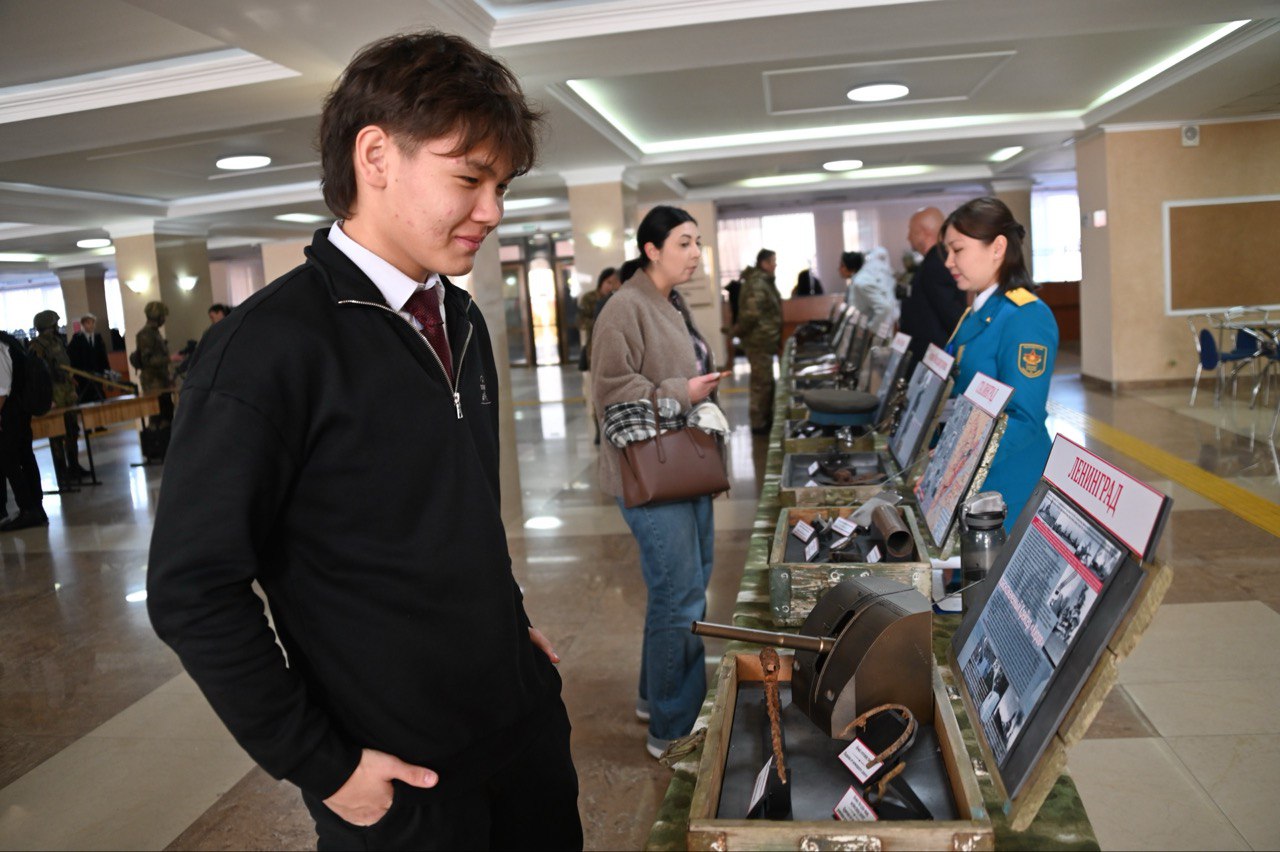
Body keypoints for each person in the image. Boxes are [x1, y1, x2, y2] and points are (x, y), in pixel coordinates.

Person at [146, 30, 581, 851]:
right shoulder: (267, 349)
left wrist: (508, 628)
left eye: (502, 185)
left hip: (520, 734)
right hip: (400, 778)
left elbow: (458, 510)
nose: (493, 211)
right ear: (376, 156)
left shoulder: (461, 317)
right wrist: (322, 765)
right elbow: (191, 589)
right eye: (470, 179)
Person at [592, 205, 724, 760]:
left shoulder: (672, 302)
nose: (695, 254)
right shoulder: (624, 308)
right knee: (683, 596)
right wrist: (682, 392)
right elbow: (611, 390)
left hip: (683, 466)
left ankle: (655, 694)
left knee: (680, 587)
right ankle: (674, 728)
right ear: (651, 249)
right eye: (684, 243)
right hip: (650, 472)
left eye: (697, 243)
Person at [941, 196, 1058, 531]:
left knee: (990, 581)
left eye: (957, 249)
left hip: (1008, 485)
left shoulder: (1026, 315)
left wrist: (960, 458)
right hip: (974, 481)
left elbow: (1024, 417)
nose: (949, 261)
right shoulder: (978, 311)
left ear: (997, 247)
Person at [900, 206, 966, 366]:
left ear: (924, 232)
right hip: (928, 356)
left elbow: (952, 316)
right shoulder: (933, 260)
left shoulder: (936, 264)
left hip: (933, 359)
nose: (908, 237)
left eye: (911, 231)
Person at [30, 310, 86, 486]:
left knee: (72, 429)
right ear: (49, 325)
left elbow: (64, 365)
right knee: (57, 433)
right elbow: (39, 375)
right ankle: (62, 471)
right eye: (55, 324)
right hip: (54, 395)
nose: (57, 327)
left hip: (67, 392)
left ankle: (74, 465)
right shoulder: (36, 346)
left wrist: (71, 381)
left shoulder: (57, 341)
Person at [0, 332, 48, 532]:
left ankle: (28, 509)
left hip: (10, 411)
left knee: (8, 460)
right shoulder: (9, 341)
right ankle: (36, 506)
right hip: (21, 410)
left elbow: (2, 390)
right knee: (25, 456)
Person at [735, 248, 782, 434]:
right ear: (763, 263)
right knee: (761, 383)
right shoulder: (758, 283)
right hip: (758, 341)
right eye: (772, 261)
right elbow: (751, 315)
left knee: (766, 382)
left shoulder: (765, 282)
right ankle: (758, 423)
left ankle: (765, 419)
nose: (775, 265)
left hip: (764, 340)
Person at [578, 266, 621, 444]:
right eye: (608, 282)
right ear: (601, 281)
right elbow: (581, 321)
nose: (610, 286)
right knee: (596, 391)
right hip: (594, 350)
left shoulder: (618, 299)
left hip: (615, 350)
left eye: (614, 282)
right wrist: (600, 322)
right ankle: (599, 429)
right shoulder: (590, 299)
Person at [134, 300, 179, 428]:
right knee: (158, 420)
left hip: (161, 382)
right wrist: (170, 358)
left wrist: (168, 377)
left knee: (167, 416)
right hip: (153, 384)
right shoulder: (145, 334)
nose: (164, 319)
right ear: (157, 316)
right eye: (163, 316)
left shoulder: (154, 333)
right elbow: (147, 361)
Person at [848, 246, 898, 330]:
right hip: (871, 327)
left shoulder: (864, 280)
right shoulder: (866, 279)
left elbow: (886, 307)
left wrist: (871, 329)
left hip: (873, 329)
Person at [68, 313, 111, 404]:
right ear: (83, 325)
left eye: (92, 323)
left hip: (97, 374)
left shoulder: (98, 338)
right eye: (88, 323)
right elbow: (72, 357)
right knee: (85, 399)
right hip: (83, 375)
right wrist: (74, 375)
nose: (91, 326)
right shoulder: (77, 338)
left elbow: (103, 357)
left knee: (99, 397)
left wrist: (107, 373)